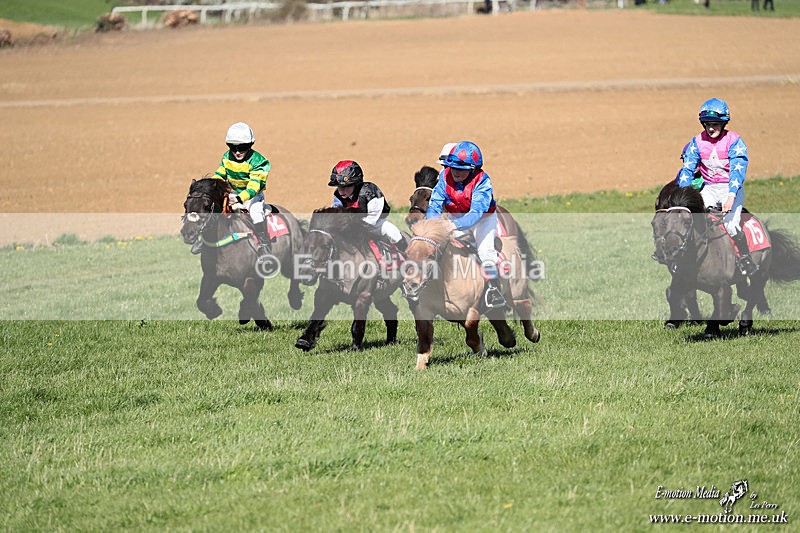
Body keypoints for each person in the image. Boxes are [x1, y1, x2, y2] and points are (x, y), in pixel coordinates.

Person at [676, 98, 757, 276]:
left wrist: (731, 197)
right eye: (707, 125)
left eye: (715, 124)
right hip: (709, 189)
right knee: (690, 220)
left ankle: (745, 258)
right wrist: (683, 194)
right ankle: (682, 259)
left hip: (730, 189)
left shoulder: (734, 141)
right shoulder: (696, 142)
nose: (711, 129)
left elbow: (737, 172)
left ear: (723, 123)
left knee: (730, 225)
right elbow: (687, 170)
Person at [426, 141, 507, 308]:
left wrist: (453, 225)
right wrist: (433, 224)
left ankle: (493, 290)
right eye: (453, 167)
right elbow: (434, 205)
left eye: (461, 169)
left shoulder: (482, 181)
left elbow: (475, 213)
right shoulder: (444, 176)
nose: (455, 172)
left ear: (472, 169)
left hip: (482, 219)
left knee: (485, 251)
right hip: (455, 216)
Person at [193, 122, 273, 262]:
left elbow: (254, 187)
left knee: (256, 213)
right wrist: (211, 188)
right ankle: (204, 239)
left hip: (252, 196)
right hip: (234, 193)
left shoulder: (259, 161)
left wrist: (239, 199)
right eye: (232, 147)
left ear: (250, 145)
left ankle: (264, 244)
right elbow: (220, 175)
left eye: (242, 148)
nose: (237, 152)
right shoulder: (227, 157)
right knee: (213, 207)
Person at [328, 160, 405, 251]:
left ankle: (406, 253)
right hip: (350, 226)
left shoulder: (370, 191)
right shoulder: (338, 195)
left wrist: (355, 229)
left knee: (393, 232)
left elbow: (371, 219)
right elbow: (335, 213)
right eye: (339, 187)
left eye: (346, 186)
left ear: (356, 184)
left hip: (374, 224)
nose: (341, 191)